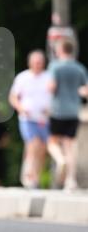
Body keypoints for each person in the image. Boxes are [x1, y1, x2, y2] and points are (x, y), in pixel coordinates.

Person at [46, 39, 88, 191]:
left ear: (60, 50)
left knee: (52, 142)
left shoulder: (54, 66)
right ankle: (71, 181)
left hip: (57, 110)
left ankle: (60, 159)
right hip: (73, 111)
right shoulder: (79, 68)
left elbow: (51, 87)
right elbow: (86, 90)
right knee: (70, 146)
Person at [8, 50, 51, 189]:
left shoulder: (48, 77)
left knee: (42, 150)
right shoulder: (23, 77)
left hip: (44, 119)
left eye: (40, 62)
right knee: (33, 144)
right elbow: (13, 97)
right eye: (36, 62)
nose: (38, 65)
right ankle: (29, 176)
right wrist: (21, 109)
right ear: (30, 63)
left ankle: (36, 177)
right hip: (27, 118)